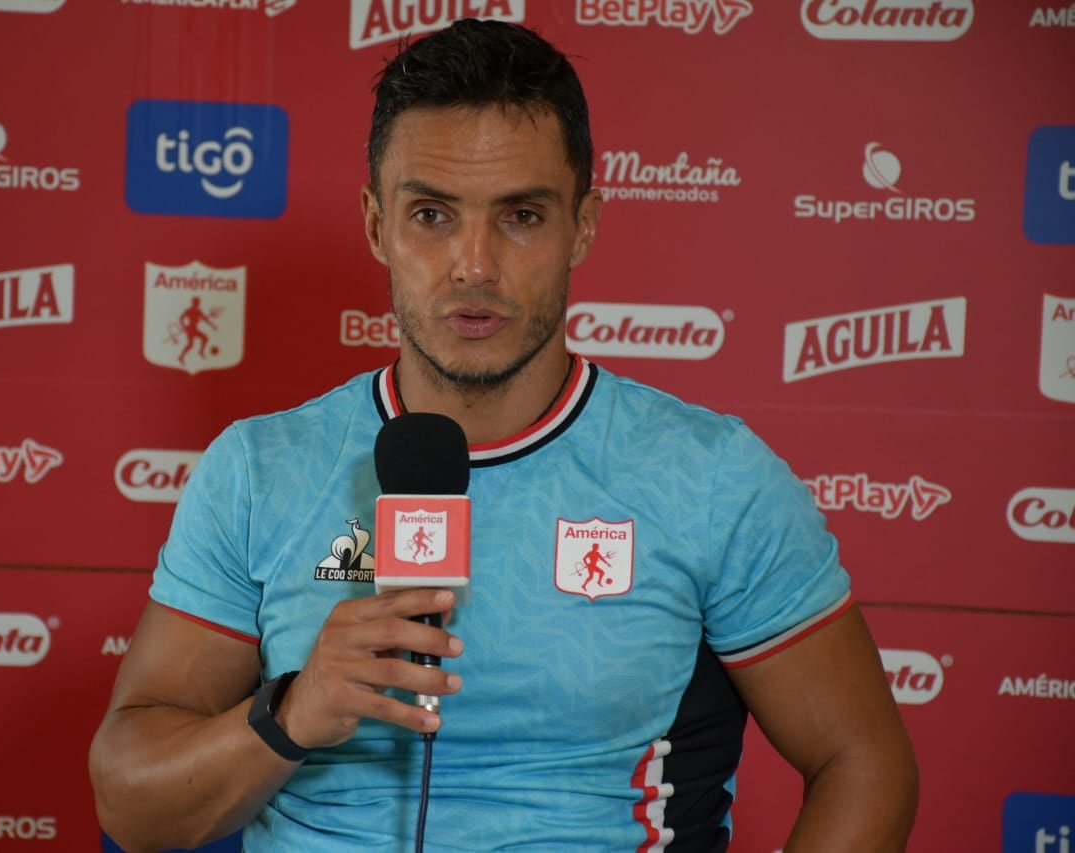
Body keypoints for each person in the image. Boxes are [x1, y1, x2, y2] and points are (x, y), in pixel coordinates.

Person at [89, 19, 918, 852]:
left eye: (520, 215)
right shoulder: (257, 470)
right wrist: (291, 712)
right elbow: (131, 801)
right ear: (378, 227)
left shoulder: (709, 477)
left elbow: (863, 760)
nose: (475, 264)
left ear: (583, 226)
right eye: (431, 215)